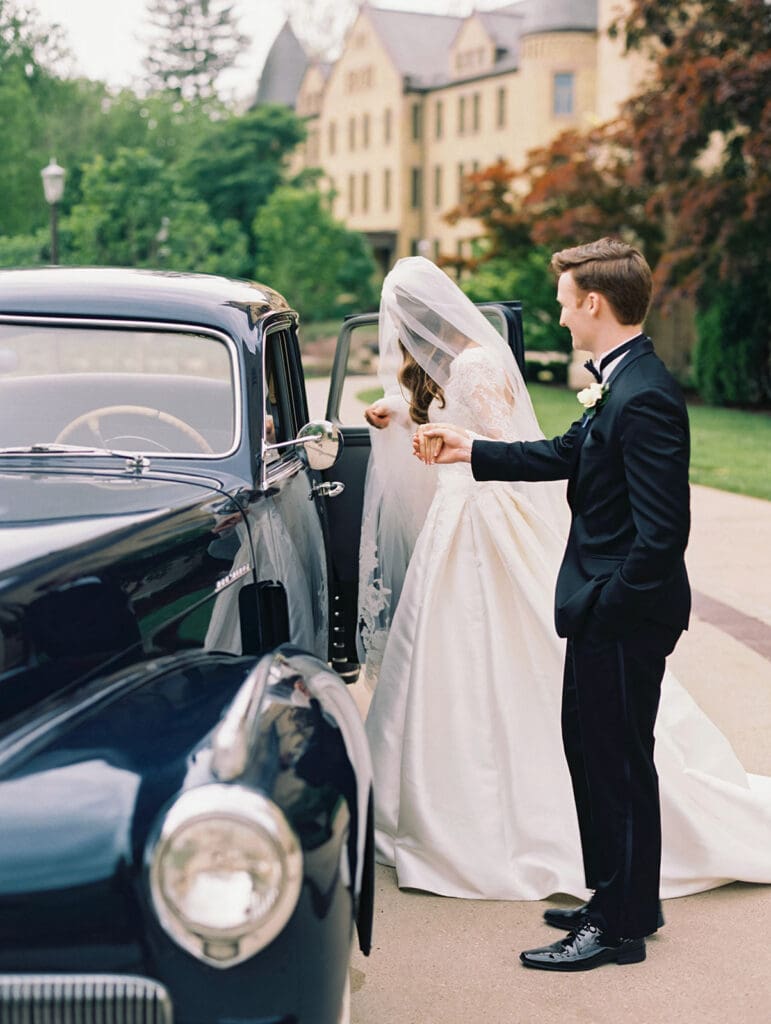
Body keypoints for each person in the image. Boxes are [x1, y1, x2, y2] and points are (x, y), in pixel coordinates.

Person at [361, 252, 771, 973]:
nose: (554, 314)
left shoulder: (641, 394)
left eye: (563, 301)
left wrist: (606, 605)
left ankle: (614, 931)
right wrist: (470, 449)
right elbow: (565, 451)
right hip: (605, 610)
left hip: (619, 615)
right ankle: (625, 900)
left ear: (592, 306)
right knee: (605, 759)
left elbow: (660, 532)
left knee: (610, 763)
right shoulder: (619, 383)